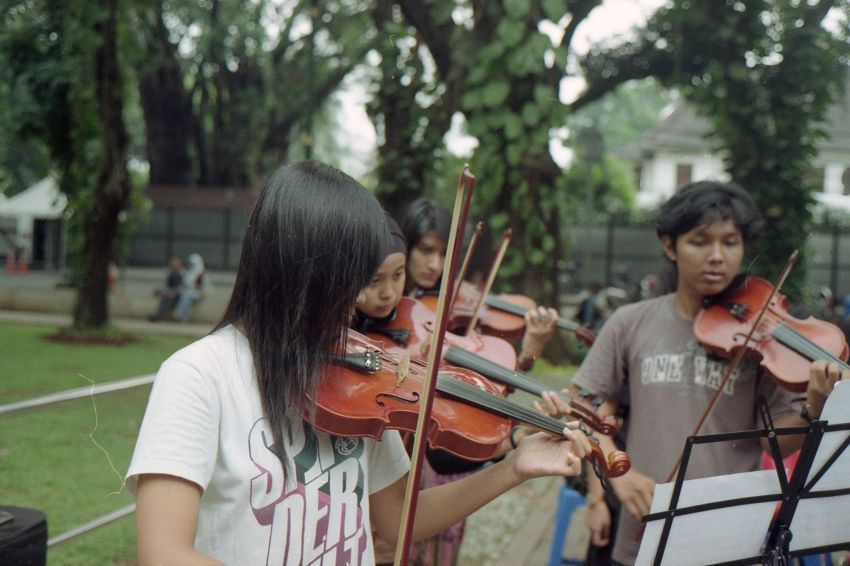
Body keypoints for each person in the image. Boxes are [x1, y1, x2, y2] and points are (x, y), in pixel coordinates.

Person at [125, 160, 592, 566]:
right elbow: (163, 553)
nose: (359, 301)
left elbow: (399, 520)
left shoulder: (359, 375)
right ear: (300, 271)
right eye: (352, 280)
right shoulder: (198, 375)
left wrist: (513, 467)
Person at [540, 180, 846, 565]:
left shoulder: (763, 339)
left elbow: (773, 444)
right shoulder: (630, 323)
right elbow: (583, 407)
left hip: (733, 533)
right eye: (700, 242)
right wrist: (618, 473)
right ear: (670, 246)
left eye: (730, 243)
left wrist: (811, 412)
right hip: (644, 527)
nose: (717, 256)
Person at [148, 256, 184, 322]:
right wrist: (164, 292)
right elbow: (165, 285)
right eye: (172, 265)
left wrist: (173, 292)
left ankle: (158, 315)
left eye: (175, 265)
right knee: (164, 296)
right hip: (169, 293)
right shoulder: (170, 274)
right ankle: (157, 314)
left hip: (178, 295)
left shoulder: (182, 275)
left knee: (168, 299)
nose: (173, 267)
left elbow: (182, 288)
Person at [174, 253, 205, 322]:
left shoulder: (200, 274)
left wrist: (189, 288)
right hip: (188, 292)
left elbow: (198, 287)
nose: (189, 264)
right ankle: (184, 317)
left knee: (187, 296)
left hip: (197, 293)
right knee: (186, 296)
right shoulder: (188, 272)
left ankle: (179, 313)